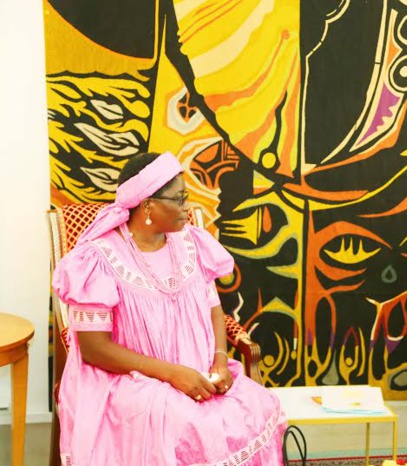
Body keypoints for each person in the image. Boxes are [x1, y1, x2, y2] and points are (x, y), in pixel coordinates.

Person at [52, 151, 287, 465]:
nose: (187, 207)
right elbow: (94, 349)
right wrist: (173, 375)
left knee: (257, 407)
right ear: (148, 205)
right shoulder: (99, 259)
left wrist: (219, 361)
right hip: (129, 381)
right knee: (186, 424)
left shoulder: (191, 243)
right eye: (179, 199)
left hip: (197, 373)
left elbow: (214, 309)